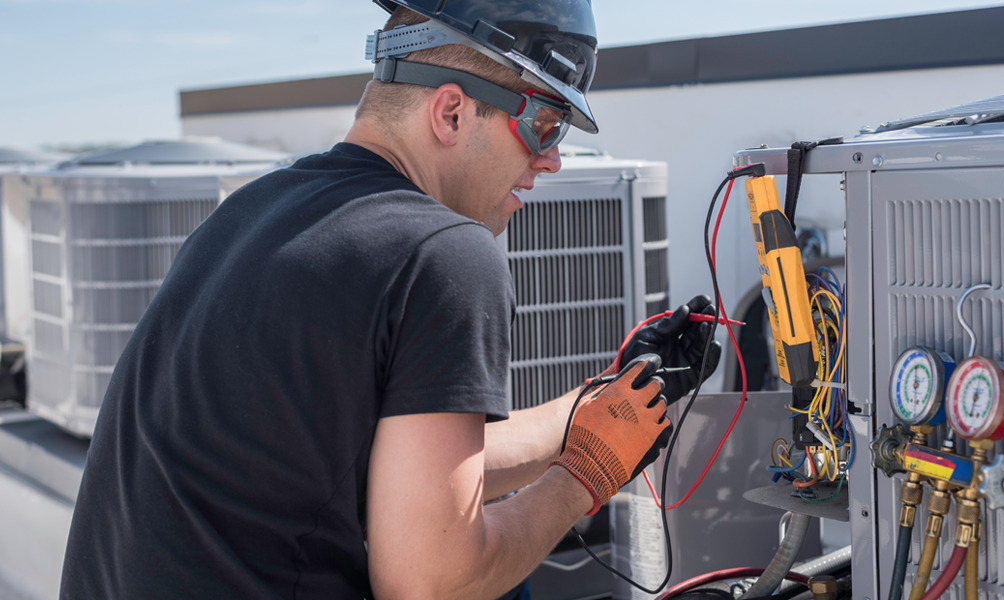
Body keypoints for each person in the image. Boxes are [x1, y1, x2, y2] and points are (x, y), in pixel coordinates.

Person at [59, 1, 721, 599]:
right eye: (545, 124)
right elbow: (433, 582)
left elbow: (404, 482)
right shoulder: (444, 253)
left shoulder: (247, 215)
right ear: (452, 111)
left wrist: (604, 402)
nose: (551, 160)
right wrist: (586, 473)